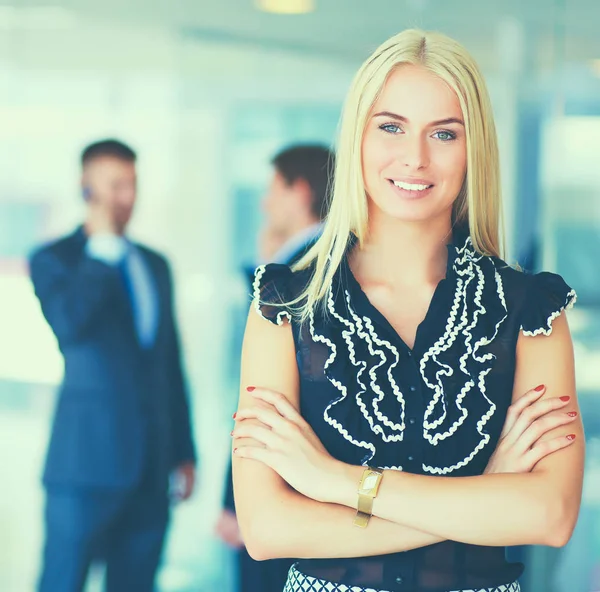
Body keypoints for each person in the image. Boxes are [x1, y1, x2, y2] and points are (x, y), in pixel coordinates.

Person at [231, 29, 584, 592]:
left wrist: (336, 481)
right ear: (358, 138)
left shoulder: (532, 312)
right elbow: (268, 528)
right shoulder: (285, 306)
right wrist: (482, 495)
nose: (415, 159)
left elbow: (550, 516)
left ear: (475, 150)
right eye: (391, 127)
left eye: (443, 134)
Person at [29, 139, 197, 592]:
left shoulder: (155, 265)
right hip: (83, 469)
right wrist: (101, 249)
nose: (127, 197)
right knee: (62, 582)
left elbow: (168, 365)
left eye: (133, 184)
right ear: (87, 188)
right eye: (116, 185)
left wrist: (184, 450)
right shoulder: (54, 260)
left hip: (151, 468)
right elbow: (70, 326)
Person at [216, 144, 335, 592]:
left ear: (298, 191)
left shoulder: (296, 271)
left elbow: (261, 400)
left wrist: (235, 502)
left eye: (272, 190)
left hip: (284, 489)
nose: (265, 204)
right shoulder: (323, 259)